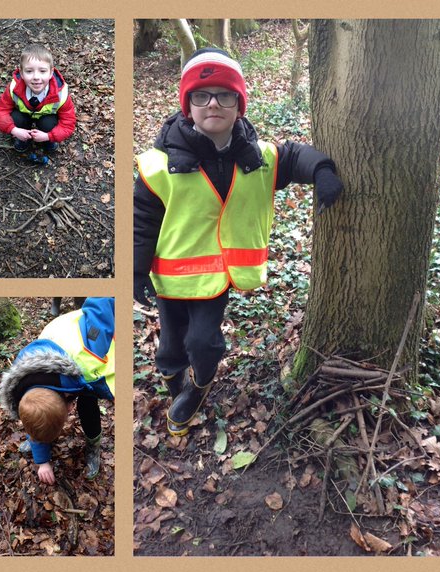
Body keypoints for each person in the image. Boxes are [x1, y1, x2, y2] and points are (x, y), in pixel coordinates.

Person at [132, 48, 344, 437]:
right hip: (169, 277)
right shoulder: (158, 165)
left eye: (224, 95)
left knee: (203, 342)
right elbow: (141, 222)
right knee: (169, 348)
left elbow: (294, 156)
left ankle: (198, 387)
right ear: (188, 106)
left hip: (215, 280)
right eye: (201, 95)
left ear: (239, 104)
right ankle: (175, 379)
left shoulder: (257, 159)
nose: (213, 103)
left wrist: (323, 169)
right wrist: (134, 270)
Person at [0, 297, 114, 485]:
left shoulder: (92, 351)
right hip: (58, 357)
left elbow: (103, 301)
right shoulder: (20, 388)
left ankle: (93, 444)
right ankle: (42, 439)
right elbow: (36, 415)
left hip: (83, 356)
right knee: (38, 415)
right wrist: (42, 461)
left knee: (88, 404)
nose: (70, 410)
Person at [0, 44, 76, 165]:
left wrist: (49, 136)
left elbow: (68, 123)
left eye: (42, 71)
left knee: (48, 122)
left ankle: (48, 142)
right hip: (24, 117)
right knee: (16, 118)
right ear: (21, 72)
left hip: (46, 122)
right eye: (29, 71)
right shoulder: (14, 88)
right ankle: (22, 139)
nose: (36, 77)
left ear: (51, 72)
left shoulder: (61, 94)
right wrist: (14, 130)